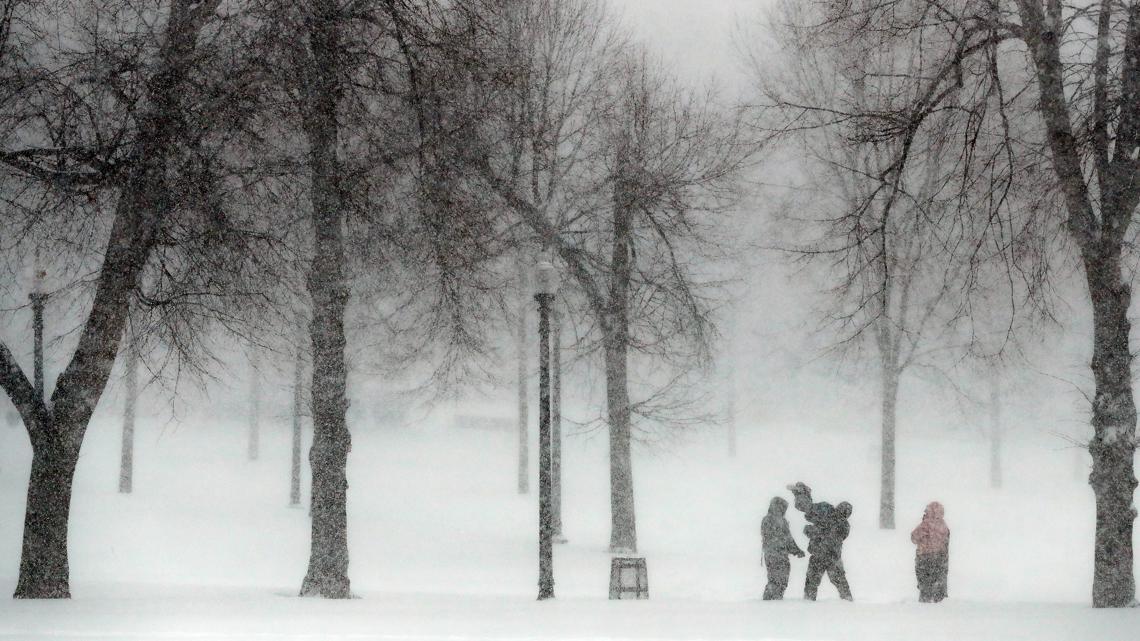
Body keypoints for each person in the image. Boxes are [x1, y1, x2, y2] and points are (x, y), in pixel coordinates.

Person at [788, 482, 853, 601]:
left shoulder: (828, 511)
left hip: (821, 555)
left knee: (813, 582)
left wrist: (812, 531)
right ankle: (848, 601)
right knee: (839, 582)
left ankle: (808, 602)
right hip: (832, 556)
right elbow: (808, 509)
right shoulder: (842, 523)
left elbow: (808, 510)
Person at [761, 496, 805, 600]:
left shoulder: (783, 521)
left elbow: (788, 538)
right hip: (773, 554)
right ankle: (769, 601)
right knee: (775, 579)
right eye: (782, 507)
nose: (783, 510)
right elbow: (773, 537)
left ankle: (777, 600)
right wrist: (782, 544)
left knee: (783, 579)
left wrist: (796, 550)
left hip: (781, 555)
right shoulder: (768, 519)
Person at [910, 501, 950, 603]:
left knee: (924, 580)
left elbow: (914, 538)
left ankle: (925, 599)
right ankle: (939, 598)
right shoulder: (944, 526)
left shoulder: (925, 525)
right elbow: (946, 543)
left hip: (924, 557)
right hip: (940, 558)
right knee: (938, 578)